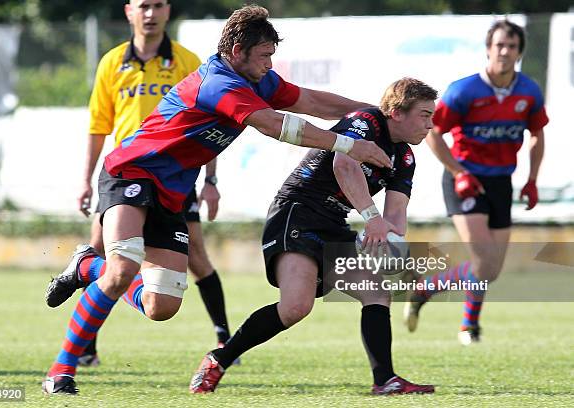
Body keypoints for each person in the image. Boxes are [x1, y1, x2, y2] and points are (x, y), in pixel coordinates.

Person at [41, 5, 392, 395]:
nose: (270, 64)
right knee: (123, 268)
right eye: (265, 56)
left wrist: (371, 112)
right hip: (132, 172)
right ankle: (61, 371)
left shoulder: (257, 78)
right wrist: (349, 144)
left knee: (162, 307)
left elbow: (308, 100)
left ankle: (89, 267)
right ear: (238, 51)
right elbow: (277, 125)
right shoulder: (218, 83)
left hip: (173, 193)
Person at [189, 77, 438, 395]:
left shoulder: (404, 157)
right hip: (297, 211)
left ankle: (385, 380)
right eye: (424, 115)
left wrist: (388, 242)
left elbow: (395, 217)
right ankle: (219, 360)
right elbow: (344, 164)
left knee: (376, 292)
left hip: (333, 222)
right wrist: (372, 218)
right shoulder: (366, 123)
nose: (430, 125)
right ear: (397, 112)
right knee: (296, 307)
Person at [45, 0, 237, 369]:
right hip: (125, 175)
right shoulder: (112, 62)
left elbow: (211, 124)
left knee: (196, 255)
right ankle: (82, 350)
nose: (150, 14)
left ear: (168, 11)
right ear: (128, 11)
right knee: (106, 253)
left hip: (175, 175)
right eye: (143, 6)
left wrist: (211, 179)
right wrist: (85, 180)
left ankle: (223, 337)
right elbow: (99, 125)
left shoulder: (186, 60)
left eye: (158, 5)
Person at [404, 20, 548, 345]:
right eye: (499, 45)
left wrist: (532, 180)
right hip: (464, 179)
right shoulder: (464, 90)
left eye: (511, 46)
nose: (505, 52)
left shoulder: (528, 91)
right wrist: (459, 173)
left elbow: (537, 134)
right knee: (482, 259)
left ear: (519, 52)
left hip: (500, 182)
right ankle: (469, 326)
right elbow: (433, 132)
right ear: (488, 49)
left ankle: (426, 288)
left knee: (491, 269)